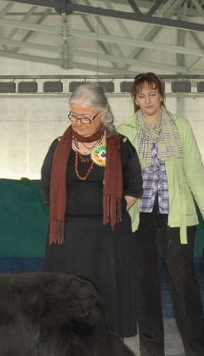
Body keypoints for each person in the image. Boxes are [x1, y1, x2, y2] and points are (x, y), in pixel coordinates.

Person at [117, 72, 204, 356]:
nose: (147, 100)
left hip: (177, 215)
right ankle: (150, 347)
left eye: (152, 94)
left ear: (161, 95)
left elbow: (195, 171)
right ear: (135, 100)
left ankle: (199, 349)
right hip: (140, 216)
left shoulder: (180, 126)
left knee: (183, 280)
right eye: (141, 96)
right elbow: (119, 176)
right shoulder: (125, 131)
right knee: (143, 280)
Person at [41, 82, 143, 339]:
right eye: (74, 115)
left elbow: (133, 188)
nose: (78, 122)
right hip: (66, 240)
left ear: (103, 114)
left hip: (109, 240)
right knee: (66, 305)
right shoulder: (58, 146)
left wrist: (109, 213)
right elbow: (46, 191)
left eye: (85, 116)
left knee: (109, 303)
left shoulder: (120, 146)